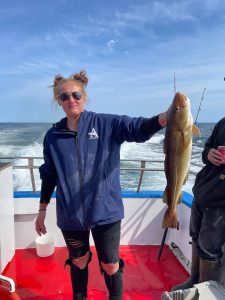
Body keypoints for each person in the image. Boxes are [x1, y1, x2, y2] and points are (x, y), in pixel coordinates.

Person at [35, 70, 168, 300]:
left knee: (110, 265)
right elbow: (49, 175)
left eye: (75, 94)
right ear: (59, 101)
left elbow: (137, 129)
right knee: (78, 261)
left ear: (84, 96)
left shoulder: (106, 124)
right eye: (64, 96)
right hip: (70, 216)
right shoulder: (52, 136)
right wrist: (42, 210)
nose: (71, 100)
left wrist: (163, 119)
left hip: (105, 211)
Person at [172, 117, 225, 291]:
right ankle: (194, 280)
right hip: (202, 191)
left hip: (220, 202)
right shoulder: (222, 122)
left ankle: (203, 291)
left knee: (209, 249)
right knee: (195, 237)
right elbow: (207, 148)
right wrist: (208, 153)